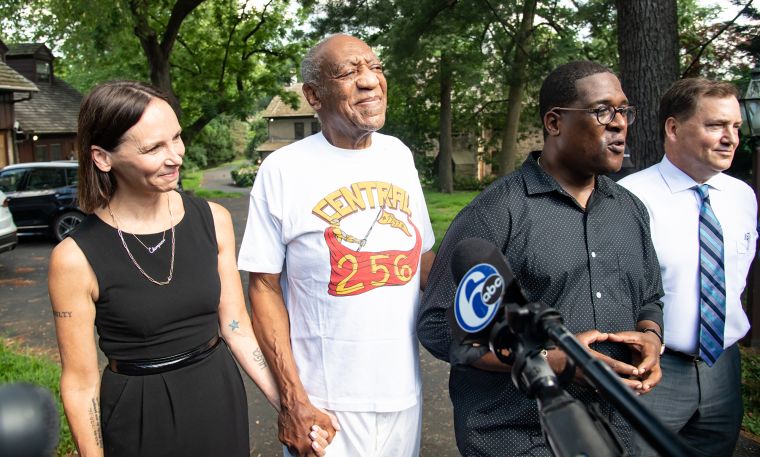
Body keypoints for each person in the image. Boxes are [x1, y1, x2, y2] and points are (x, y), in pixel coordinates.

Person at [48, 80, 329, 457]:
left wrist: (292, 407)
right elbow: (80, 385)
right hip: (139, 413)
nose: (175, 157)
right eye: (153, 148)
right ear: (102, 157)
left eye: (176, 138)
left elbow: (237, 328)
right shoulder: (74, 257)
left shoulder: (214, 220)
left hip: (217, 395)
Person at [417, 61, 665, 456]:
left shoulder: (630, 210)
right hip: (518, 436)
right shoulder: (495, 213)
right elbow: (438, 326)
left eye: (623, 110)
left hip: (613, 430)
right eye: (602, 111)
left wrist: (650, 337)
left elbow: (649, 297)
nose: (619, 123)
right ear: (554, 122)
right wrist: (552, 361)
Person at [238, 34, 436, 457]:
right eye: (349, 72)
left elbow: (421, 260)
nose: (369, 80)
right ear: (314, 95)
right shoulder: (283, 170)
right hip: (325, 407)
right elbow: (263, 288)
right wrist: (293, 401)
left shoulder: (399, 156)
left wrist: (484, 295)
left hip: (403, 394)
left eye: (375, 67)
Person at [619, 78, 755, 457]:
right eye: (716, 125)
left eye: (735, 126)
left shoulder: (743, 197)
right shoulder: (630, 199)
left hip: (722, 368)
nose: (731, 138)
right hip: (653, 370)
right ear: (674, 128)